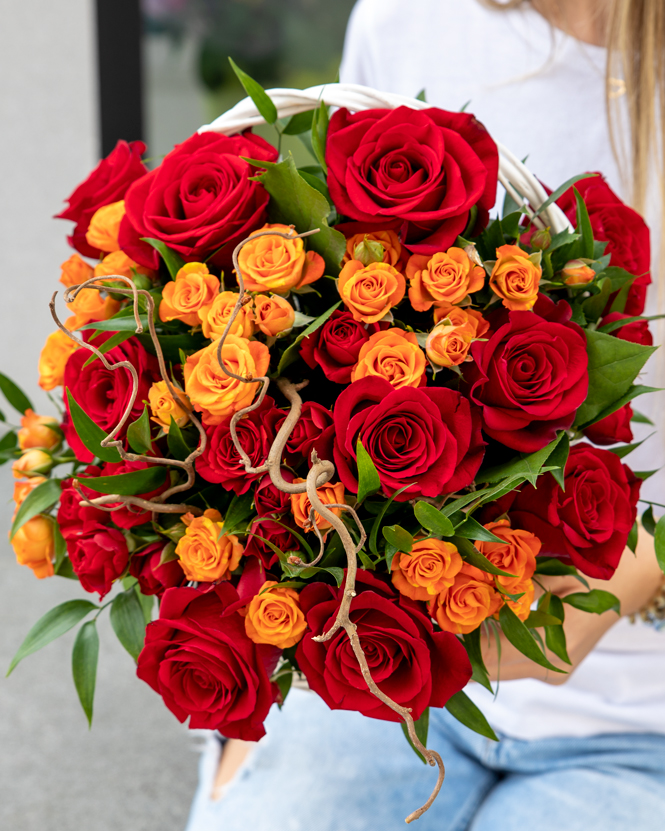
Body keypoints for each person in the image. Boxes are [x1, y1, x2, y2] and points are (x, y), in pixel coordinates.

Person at [184, 2, 665, 829]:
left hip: (638, 717)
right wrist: (257, 711)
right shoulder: (412, 16)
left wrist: (629, 574)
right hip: (391, 676)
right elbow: (332, 290)